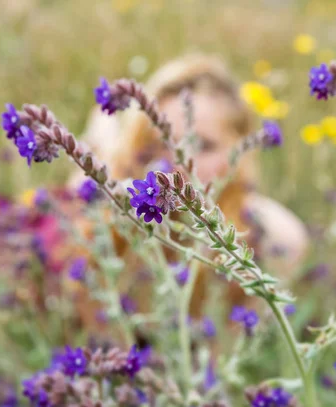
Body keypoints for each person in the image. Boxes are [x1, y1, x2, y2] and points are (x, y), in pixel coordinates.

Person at [71, 54, 309, 322]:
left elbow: (230, 350)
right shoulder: (104, 224)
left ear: (238, 153)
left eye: (202, 145)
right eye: (164, 143)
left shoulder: (273, 241)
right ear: (139, 148)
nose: (179, 164)